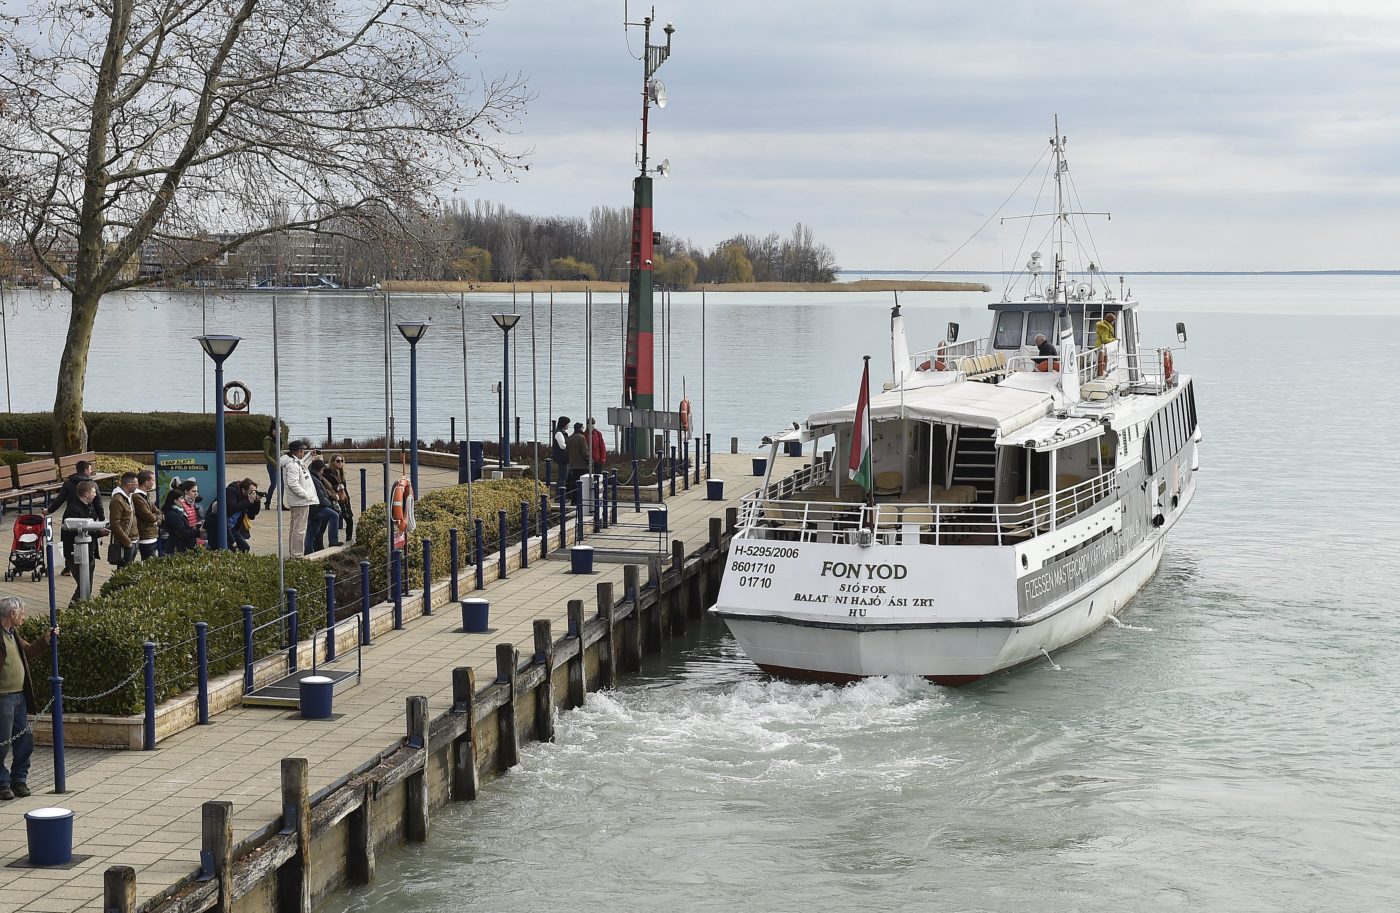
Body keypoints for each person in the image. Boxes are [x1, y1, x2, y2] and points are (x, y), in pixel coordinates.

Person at [0, 596, 56, 800]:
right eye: (21, 613)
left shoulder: (13, 633)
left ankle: (19, 779)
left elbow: (28, 652)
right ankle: (2, 783)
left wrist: (45, 640)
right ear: (12, 613)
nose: (23, 616)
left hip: (19, 698)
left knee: (25, 740)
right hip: (3, 698)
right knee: (2, 742)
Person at [45, 459, 105, 576]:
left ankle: (69, 567)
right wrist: (102, 521)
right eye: (90, 469)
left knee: (70, 540)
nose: (91, 472)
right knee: (88, 539)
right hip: (88, 516)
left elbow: (59, 500)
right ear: (86, 470)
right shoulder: (92, 485)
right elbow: (99, 504)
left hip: (70, 518)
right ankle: (87, 562)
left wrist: (49, 511)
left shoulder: (68, 483)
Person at [279, 441, 318, 557]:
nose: (303, 453)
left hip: (299, 501)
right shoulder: (292, 465)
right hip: (300, 501)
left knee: (295, 527)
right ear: (298, 451)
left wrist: (310, 456)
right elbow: (293, 483)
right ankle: (297, 555)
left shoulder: (293, 462)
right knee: (299, 529)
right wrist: (306, 495)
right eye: (302, 451)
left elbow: (302, 465)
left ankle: (294, 553)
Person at [304, 458, 342, 554]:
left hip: (313, 507)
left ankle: (308, 551)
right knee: (334, 515)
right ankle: (333, 540)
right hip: (316, 507)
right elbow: (321, 498)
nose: (322, 472)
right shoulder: (315, 480)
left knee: (312, 531)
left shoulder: (313, 477)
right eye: (322, 470)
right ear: (320, 470)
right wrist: (330, 504)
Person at [162, 480, 204, 553]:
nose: (183, 501)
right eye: (181, 498)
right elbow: (182, 532)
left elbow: (185, 527)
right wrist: (198, 531)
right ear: (175, 500)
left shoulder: (178, 511)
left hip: (184, 544)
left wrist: (195, 527)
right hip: (177, 547)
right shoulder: (172, 514)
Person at [107, 472, 139, 567]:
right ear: (129, 485)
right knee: (124, 569)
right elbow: (115, 524)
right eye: (136, 484)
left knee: (130, 569)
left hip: (134, 540)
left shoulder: (129, 496)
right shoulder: (117, 500)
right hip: (126, 543)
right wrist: (127, 542)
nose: (137, 486)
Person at [133, 470, 163, 560]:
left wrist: (157, 520)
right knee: (149, 562)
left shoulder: (147, 495)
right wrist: (156, 519)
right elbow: (150, 517)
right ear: (146, 483)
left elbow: (158, 512)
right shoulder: (137, 497)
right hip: (146, 536)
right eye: (153, 480)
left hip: (153, 535)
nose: (154, 482)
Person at [324, 455, 354, 541]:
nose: (340, 463)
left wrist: (347, 497)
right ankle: (333, 540)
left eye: (341, 461)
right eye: (338, 461)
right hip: (336, 498)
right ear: (333, 462)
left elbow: (344, 487)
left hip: (344, 498)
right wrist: (337, 487)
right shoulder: (329, 472)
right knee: (336, 518)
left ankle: (349, 538)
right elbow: (327, 486)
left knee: (349, 520)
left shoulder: (341, 472)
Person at [566, 421, 589, 505]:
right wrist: (589, 460)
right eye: (582, 427)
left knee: (574, 483)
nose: (583, 429)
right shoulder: (581, 438)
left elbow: (567, 451)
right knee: (582, 484)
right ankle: (580, 500)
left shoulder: (569, 438)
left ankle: (574, 501)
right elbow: (584, 452)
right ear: (580, 429)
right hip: (582, 465)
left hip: (573, 465)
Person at [262, 420, 280, 510]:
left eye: (279, 430)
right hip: (272, 465)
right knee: (274, 484)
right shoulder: (267, 440)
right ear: (272, 430)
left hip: (280, 464)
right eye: (276, 430)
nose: (278, 432)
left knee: (281, 484)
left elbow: (280, 450)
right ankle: (267, 501)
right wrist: (275, 463)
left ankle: (280, 503)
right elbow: (266, 454)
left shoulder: (279, 439)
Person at [550, 416, 571, 486]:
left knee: (565, 477)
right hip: (562, 458)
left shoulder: (563, 432)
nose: (568, 425)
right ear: (564, 424)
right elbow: (562, 446)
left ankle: (563, 490)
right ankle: (560, 491)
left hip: (565, 458)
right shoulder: (559, 433)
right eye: (567, 423)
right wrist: (570, 447)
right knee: (562, 477)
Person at [1095, 311, 1117, 376]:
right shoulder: (1105, 328)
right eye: (1113, 321)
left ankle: (1102, 372)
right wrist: (1114, 339)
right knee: (1101, 361)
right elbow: (1105, 340)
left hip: (1099, 346)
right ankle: (1101, 373)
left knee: (1104, 359)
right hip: (1100, 346)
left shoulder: (1104, 326)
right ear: (1111, 321)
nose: (1114, 323)